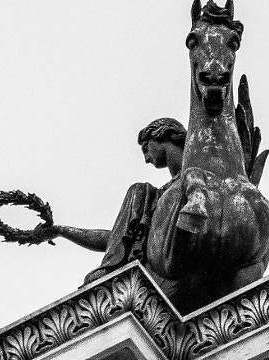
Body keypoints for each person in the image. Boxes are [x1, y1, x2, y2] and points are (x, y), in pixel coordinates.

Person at [46, 118, 186, 280]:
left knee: (138, 189)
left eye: (147, 148)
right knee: (139, 190)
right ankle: (113, 268)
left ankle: (112, 269)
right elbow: (119, 240)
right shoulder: (152, 197)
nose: (147, 158)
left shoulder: (196, 166)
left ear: (163, 134)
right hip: (163, 255)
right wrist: (60, 230)